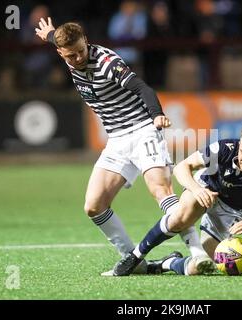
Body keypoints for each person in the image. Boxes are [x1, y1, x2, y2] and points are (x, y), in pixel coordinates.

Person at [35, 17, 206, 275]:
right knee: (94, 205)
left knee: (160, 189)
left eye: (81, 51)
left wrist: (156, 114)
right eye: (71, 56)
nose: (78, 58)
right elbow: (57, 39)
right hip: (116, 139)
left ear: (87, 43)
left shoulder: (106, 63)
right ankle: (133, 261)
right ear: (60, 52)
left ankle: (197, 252)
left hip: (143, 129)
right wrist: (49, 34)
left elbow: (142, 87)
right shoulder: (65, 49)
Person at [113, 123, 242, 276]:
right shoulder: (225, 148)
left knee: (207, 267)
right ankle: (136, 256)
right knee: (182, 217)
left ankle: (167, 264)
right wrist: (196, 190)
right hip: (206, 189)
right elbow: (182, 167)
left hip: (232, 212)